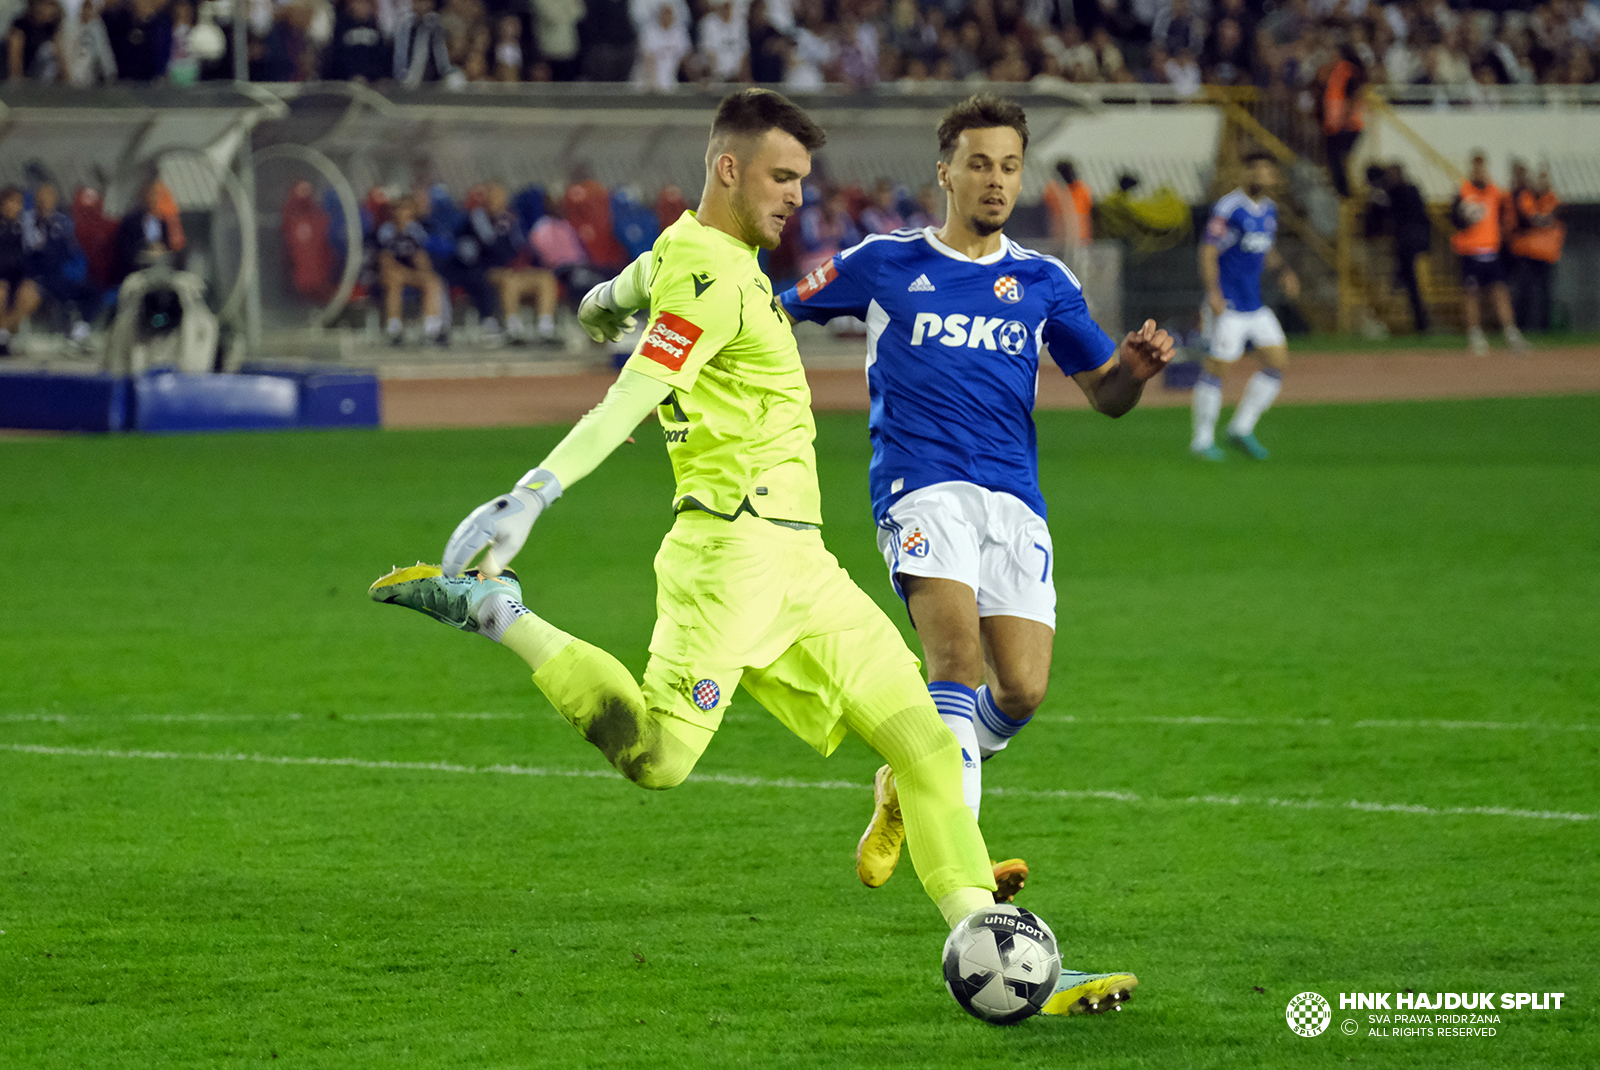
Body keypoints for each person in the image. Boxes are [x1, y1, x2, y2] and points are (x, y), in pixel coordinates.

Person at [371, 89, 1006, 946]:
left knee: (927, 747)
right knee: (659, 760)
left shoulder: (690, 249)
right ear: (728, 169)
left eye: (803, 182)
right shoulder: (709, 281)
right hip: (728, 557)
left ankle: (990, 946)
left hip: (805, 567)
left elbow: (628, 284)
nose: (795, 197)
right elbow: (635, 389)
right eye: (781, 178)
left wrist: (601, 301)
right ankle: (495, 610)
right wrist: (534, 492)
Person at [778, 93, 1161, 1016]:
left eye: (1008, 166)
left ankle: (910, 784)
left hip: (1013, 503)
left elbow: (1102, 394)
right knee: (953, 663)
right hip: (920, 488)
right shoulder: (886, 263)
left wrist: (1135, 375)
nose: (995, 180)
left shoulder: (1043, 283)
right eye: (978, 164)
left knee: (1021, 690)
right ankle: (972, 898)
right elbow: (773, 311)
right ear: (944, 172)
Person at [1191, 151, 1300, 462]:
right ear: (1246, 174)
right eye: (1255, 170)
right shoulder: (1229, 207)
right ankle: (1201, 441)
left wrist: (1283, 271)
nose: (1261, 176)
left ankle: (1241, 428)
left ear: (1274, 178)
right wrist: (1212, 292)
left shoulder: (1269, 210)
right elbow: (1208, 251)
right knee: (1217, 369)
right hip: (1228, 302)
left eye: (1267, 171)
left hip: (1254, 303)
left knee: (1277, 363)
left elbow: (1265, 248)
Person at [1451, 151, 1524, 357]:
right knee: (1471, 294)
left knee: (1500, 291)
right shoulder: (1463, 191)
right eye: (1475, 167)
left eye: (1481, 167)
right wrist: (1465, 218)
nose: (1479, 171)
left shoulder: (1495, 192)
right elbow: (1454, 219)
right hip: (1469, 251)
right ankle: (1475, 335)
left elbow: (1504, 217)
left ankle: (1511, 333)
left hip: (1491, 250)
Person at [24, 180, 99, 348]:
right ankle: (65, 333)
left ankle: (79, 332)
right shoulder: (29, 220)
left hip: (63, 269)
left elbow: (72, 247)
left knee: (93, 290)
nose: (46, 200)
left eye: (50, 196)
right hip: (40, 271)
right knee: (61, 290)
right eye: (42, 196)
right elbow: (30, 247)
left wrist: (77, 267)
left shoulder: (62, 220)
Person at [375, 197, 445, 346]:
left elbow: (421, 257)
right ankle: (394, 330)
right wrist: (405, 273)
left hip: (408, 274)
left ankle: (432, 331)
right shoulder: (386, 230)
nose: (402, 213)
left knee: (432, 282)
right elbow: (385, 261)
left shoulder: (415, 230)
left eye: (406, 209)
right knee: (393, 279)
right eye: (399, 209)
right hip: (390, 274)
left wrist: (424, 273)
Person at [1509, 166, 1562, 333]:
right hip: (1527, 253)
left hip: (1547, 255)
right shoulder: (1526, 198)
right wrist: (1539, 222)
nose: (1540, 184)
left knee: (1545, 294)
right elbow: (1530, 219)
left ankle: (1545, 328)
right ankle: (1521, 327)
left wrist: (1537, 222)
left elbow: (1541, 220)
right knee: (1524, 293)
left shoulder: (1555, 201)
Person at [0, 186, 43, 356]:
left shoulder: (25, 228)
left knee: (32, 295)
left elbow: (35, 251)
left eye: (17, 202)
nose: (13, 206)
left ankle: (5, 332)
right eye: (10, 202)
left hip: (19, 277)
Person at [1321, 46, 1366, 198]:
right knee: (1336, 161)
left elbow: (1354, 93)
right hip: (1337, 125)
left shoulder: (1346, 70)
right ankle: (1343, 192)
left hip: (1345, 125)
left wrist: (1345, 115)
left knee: (1340, 162)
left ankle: (1346, 193)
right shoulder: (1336, 71)